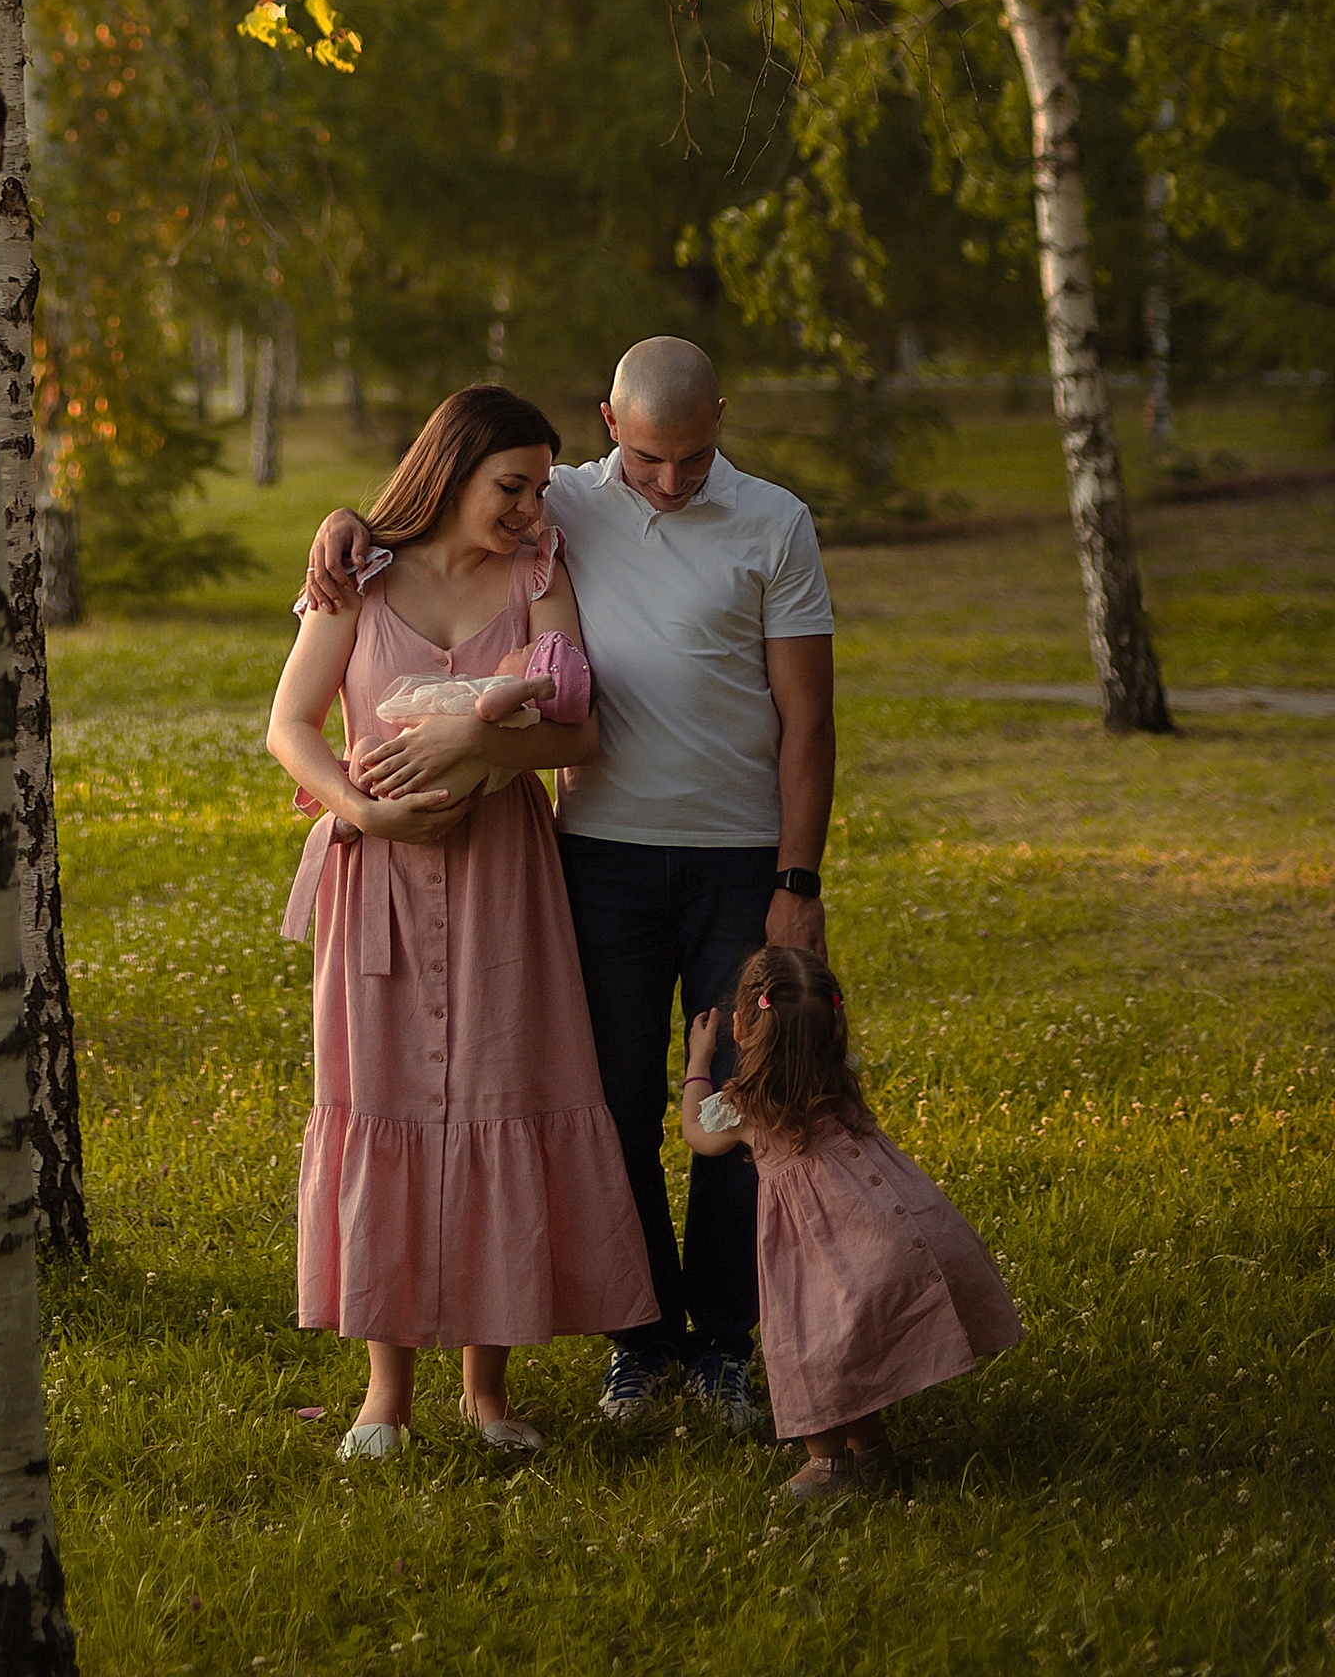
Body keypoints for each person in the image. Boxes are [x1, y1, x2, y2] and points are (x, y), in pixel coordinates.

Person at [305, 335, 835, 1436]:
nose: (668, 482)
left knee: (737, 1099)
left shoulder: (769, 522)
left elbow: (804, 721)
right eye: (646, 458)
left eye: (691, 460)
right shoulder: (563, 512)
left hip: (734, 854)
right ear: (609, 423)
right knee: (611, 1103)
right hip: (597, 856)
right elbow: (425, 519)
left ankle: (722, 1346)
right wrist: (342, 525)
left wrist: (798, 877)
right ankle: (640, 1345)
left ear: (719, 424)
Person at [267, 385, 656, 1460]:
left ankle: (488, 1391)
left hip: (502, 878)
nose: (532, 509)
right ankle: (382, 1396)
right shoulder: (356, 577)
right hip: (375, 879)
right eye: (511, 486)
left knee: (506, 1090)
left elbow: (577, 734)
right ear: (450, 471)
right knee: (378, 1093)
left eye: (539, 488)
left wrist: (477, 759)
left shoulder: (537, 575)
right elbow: (290, 725)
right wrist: (361, 806)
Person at [682, 942, 1021, 1502]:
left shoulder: (745, 1105)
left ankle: (828, 1465)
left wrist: (699, 1059)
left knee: (809, 1345)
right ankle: (873, 1456)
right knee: (854, 1343)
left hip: (816, 1248)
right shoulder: (838, 1078)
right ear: (831, 1026)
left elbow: (697, 1133)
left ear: (742, 1026)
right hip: (880, 1229)